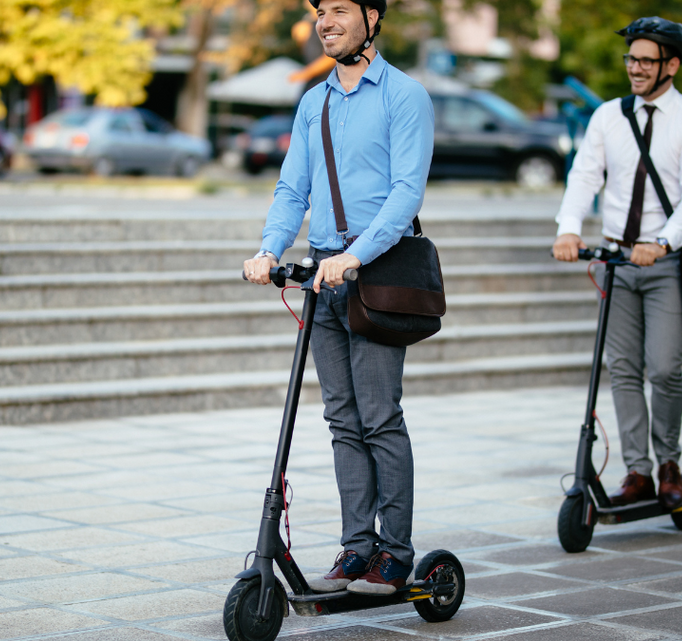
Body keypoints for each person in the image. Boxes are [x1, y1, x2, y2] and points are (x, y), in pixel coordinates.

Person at [242, 0, 433, 595]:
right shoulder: (314, 100)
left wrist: (356, 255)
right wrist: (270, 249)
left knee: (379, 418)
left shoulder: (405, 96)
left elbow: (406, 193)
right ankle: (357, 547)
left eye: (341, 10)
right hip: (323, 279)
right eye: (321, 11)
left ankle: (395, 553)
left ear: (373, 17)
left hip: (374, 275)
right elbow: (292, 186)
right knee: (341, 419)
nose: (326, 21)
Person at [551, 17, 682, 510]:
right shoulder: (608, 116)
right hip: (616, 262)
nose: (636, 68)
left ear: (672, 65)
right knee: (622, 368)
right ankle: (637, 472)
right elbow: (585, 176)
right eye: (632, 59)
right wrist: (569, 227)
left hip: (665, 263)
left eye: (646, 60)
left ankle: (669, 463)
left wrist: (663, 242)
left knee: (664, 369)